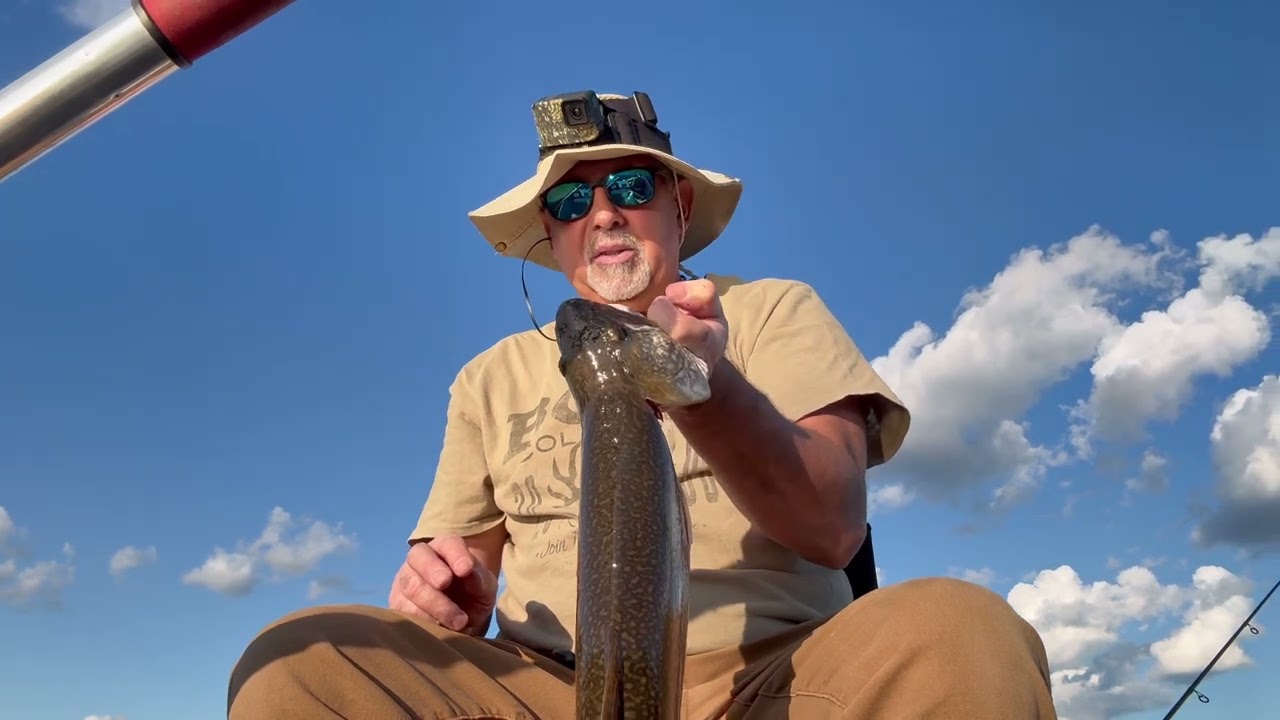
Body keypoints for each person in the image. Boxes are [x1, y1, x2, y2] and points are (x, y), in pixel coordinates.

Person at [226, 90, 1057, 719]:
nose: (603, 214)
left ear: (678, 207)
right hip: (551, 685)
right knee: (299, 661)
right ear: (550, 233)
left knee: (959, 633)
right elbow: (460, 565)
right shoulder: (487, 377)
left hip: (778, 676)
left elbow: (832, 525)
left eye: (629, 184)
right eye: (570, 201)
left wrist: (704, 387)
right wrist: (445, 596)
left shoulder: (773, 310)